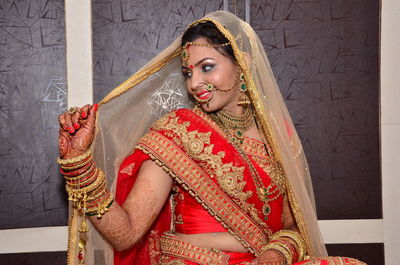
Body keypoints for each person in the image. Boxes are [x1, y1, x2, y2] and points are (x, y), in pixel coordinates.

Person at [57, 11, 365, 265]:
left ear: (242, 62)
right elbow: (125, 233)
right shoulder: (178, 130)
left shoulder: (278, 137)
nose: (195, 83)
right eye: (189, 73)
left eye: (207, 68)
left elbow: (293, 228)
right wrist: (79, 167)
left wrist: (274, 253)